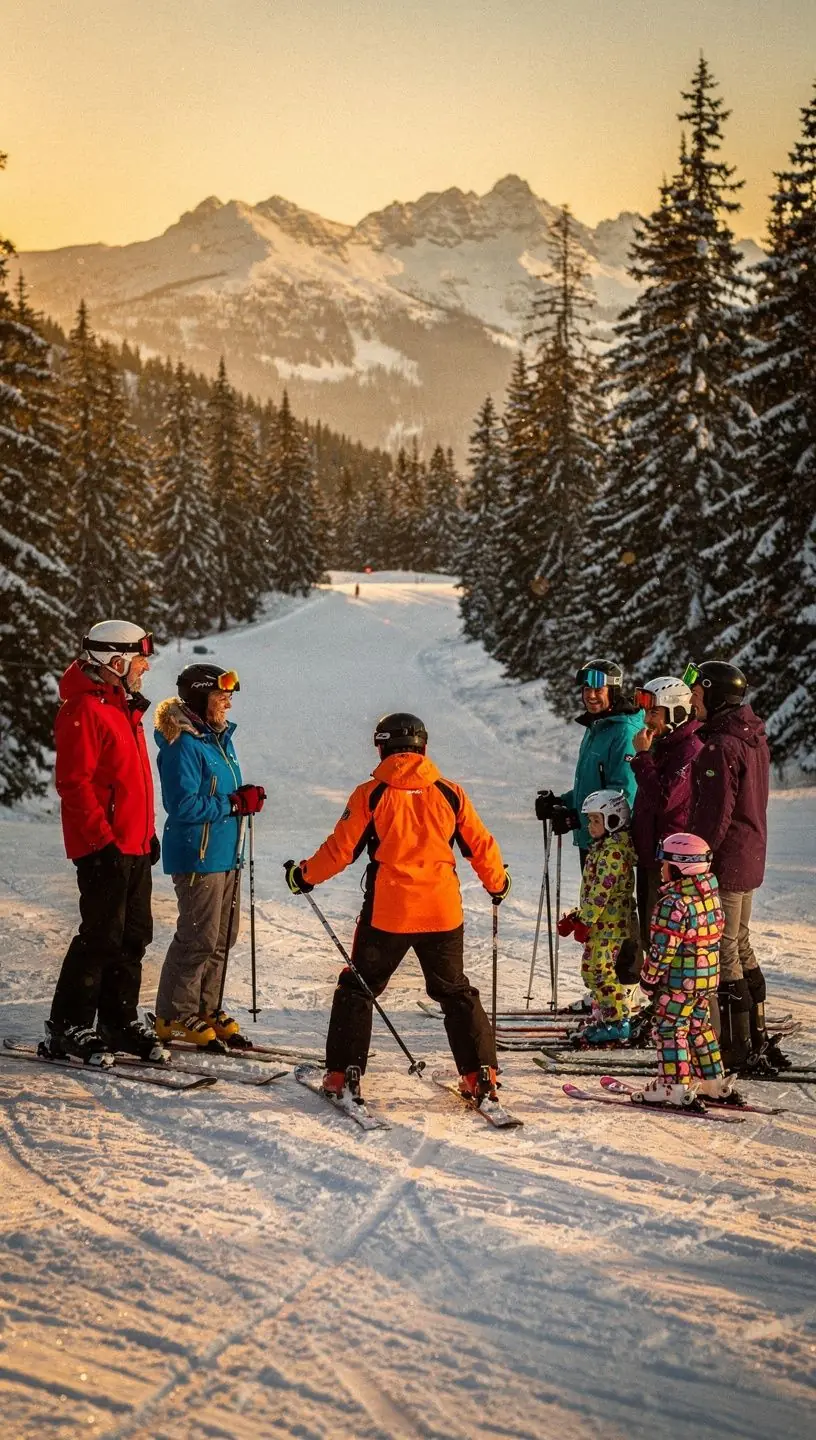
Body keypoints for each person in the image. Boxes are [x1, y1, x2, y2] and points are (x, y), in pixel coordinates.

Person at [283, 712, 511, 1104]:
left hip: (390, 913)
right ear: (423, 747)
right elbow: (481, 845)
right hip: (442, 912)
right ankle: (480, 1074)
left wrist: (304, 876)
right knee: (454, 991)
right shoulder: (450, 792)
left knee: (357, 987)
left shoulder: (371, 794)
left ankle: (343, 1074)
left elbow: (341, 850)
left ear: (382, 747)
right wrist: (498, 883)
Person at [43, 620, 165, 1065]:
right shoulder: (84, 710)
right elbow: (74, 784)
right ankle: (69, 1025)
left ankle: (116, 1020)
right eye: (138, 660)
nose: (144, 668)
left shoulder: (122, 709)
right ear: (114, 662)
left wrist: (146, 834)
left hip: (131, 845)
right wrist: (101, 842)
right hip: (102, 847)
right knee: (100, 935)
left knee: (133, 936)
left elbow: (132, 784)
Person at [153, 664, 266, 1049]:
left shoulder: (217, 739)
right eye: (222, 696)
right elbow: (181, 804)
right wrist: (233, 804)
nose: (228, 704)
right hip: (197, 854)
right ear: (201, 698)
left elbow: (221, 792)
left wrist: (241, 797)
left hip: (224, 853)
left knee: (222, 937)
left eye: (229, 696)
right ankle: (173, 1014)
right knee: (197, 938)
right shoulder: (182, 743)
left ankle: (205, 1007)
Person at [686, 660, 782, 1074]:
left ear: (716, 695)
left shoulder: (721, 747)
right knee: (739, 942)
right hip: (749, 853)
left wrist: (694, 854)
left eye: (698, 694)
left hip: (727, 858)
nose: (692, 701)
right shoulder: (752, 738)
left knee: (724, 947)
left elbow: (715, 812)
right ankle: (754, 1032)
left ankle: (735, 1045)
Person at [626, 833, 739, 1109]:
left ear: (680, 867)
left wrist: (648, 979)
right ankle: (713, 1081)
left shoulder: (672, 903)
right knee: (699, 1026)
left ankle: (673, 1086)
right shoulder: (710, 897)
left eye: (665, 863)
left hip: (678, 983)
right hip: (706, 980)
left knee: (670, 1028)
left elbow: (662, 950)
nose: (661, 869)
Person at [535, 659, 643, 871]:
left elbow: (624, 795)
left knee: (605, 904)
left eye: (598, 689)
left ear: (613, 690)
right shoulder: (598, 726)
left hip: (612, 845)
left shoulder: (624, 732)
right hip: (594, 837)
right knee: (590, 901)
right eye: (586, 689)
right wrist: (564, 802)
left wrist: (577, 818)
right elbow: (595, 786)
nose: (590, 696)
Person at [556, 789, 636, 1044]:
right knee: (593, 971)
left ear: (614, 819)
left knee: (599, 971)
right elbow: (596, 893)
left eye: (595, 820)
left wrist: (584, 921)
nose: (590, 826)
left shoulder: (613, 852)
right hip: (602, 922)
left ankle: (618, 1021)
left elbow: (602, 892)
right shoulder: (603, 847)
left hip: (609, 924)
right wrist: (577, 917)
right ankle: (606, 1013)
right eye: (590, 820)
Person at [630, 676, 703, 954]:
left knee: (665, 938)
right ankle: (652, 992)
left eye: (654, 712)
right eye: (646, 712)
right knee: (649, 935)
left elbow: (664, 799)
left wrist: (643, 758)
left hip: (670, 862)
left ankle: (667, 994)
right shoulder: (664, 745)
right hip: (650, 855)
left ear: (676, 712)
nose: (647, 719)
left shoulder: (689, 751)